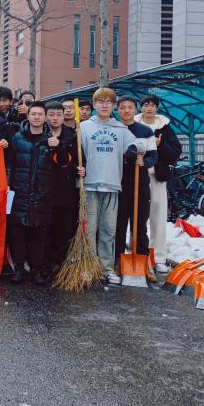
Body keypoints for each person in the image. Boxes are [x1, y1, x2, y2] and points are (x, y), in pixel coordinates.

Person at [78, 87, 140, 285]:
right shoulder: (84, 127)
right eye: (100, 102)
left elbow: (139, 144)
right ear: (94, 105)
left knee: (108, 230)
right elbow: (75, 150)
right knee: (89, 229)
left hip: (112, 184)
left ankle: (106, 268)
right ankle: (88, 266)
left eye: (108, 102)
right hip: (89, 185)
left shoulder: (120, 129)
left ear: (113, 106)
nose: (104, 105)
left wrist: (133, 149)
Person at [7, 102, 56, 285]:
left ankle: (36, 269)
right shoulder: (17, 138)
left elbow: (61, 165)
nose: (36, 117)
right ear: (27, 116)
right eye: (33, 114)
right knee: (18, 232)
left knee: (39, 233)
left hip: (43, 193)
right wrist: (8, 183)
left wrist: (57, 147)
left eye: (40, 114)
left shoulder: (51, 139)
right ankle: (19, 268)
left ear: (45, 117)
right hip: (20, 191)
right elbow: (10, 163)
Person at [136, 95, 182, 273]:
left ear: (157, 108)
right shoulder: (134, 125)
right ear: (141, 107)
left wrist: (160, 145)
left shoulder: (165, 127)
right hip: (138, 177)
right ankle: (138, 254)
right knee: (138, 217)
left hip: (158, 177)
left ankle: (159, 257)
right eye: (146, 105)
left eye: (152, 105)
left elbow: (175, 153)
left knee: (159, 218)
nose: (149, 108)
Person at [115, 96, 157, 281]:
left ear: (135, 110)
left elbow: (154, 156)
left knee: (139, 225)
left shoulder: (145, 131)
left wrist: (144, 161)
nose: (126, 111)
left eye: (130, 107)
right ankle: (118, 260)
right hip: (118, 183)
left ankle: (142, 261)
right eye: (122, 107)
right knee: (119, 224)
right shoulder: (114, 128)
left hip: (140, 183)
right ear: (117, 110)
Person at [45, 101, 78, 269]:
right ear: (46, 116)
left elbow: (77, 161)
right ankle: (44, 264)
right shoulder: (40, 133)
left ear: (64, 116)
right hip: (44, 190)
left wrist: (81, 169)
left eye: (59, 114)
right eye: (51, 114)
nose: (55, 118)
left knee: (63, 229)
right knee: (45, 229)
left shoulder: (72, 136)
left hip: (65, 190)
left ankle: (60, 264)